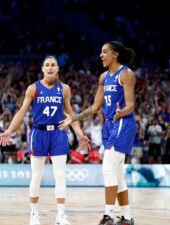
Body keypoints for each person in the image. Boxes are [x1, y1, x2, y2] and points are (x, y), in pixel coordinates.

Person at [0, 56, 89, 225]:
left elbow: (71, 115)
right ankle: (34, 215)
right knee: (36, 176)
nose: (50, 68)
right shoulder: (33, 88)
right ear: (42, 69)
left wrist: (79, 133)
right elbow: (21, 112)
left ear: (57, 69)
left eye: (53, 65)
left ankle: (61, 216)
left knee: (60, 176)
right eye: (47, 65)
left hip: (58, 133)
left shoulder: (64, 89)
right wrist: (9, 131)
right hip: (39, 134)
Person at [59, 41, 136, 225]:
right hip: (109, 125)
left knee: (108, 168)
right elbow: (94, 107)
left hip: (122, 123)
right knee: (117, 174)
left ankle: (108, 216)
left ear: (115, 54)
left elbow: (131, 103)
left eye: (104, 52)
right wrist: (74, 118)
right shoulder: (103, 77)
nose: (101, 55)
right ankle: (126, 218)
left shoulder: (126, 74)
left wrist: (121, 112)